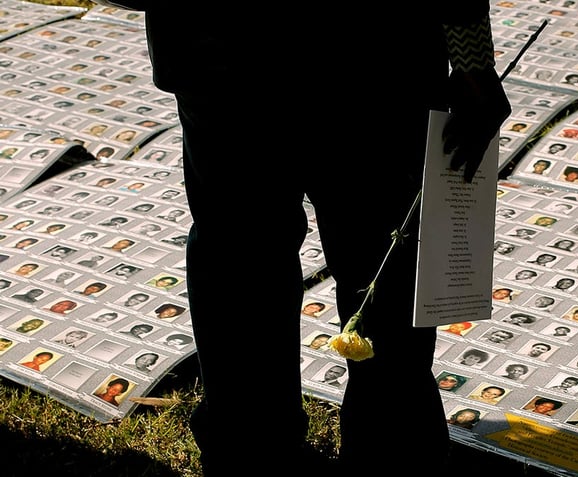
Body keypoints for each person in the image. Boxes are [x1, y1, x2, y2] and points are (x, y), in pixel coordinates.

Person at [132, 2, 510, 471]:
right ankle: (323, 452)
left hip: (281, 53)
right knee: (259, 256)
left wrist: (473, 58)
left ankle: (270, 452)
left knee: (343, 263)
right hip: (343, 54)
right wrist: (473, 60)